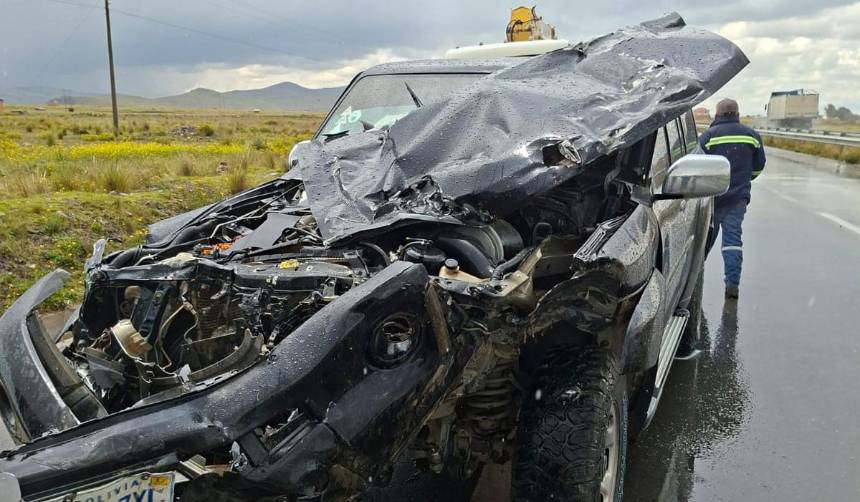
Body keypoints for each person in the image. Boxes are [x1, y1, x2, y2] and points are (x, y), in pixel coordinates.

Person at [699, 99, 766, 299]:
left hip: (713, 198)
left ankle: (693, 281)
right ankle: (732, 284)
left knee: (704, 240)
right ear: (737, 112)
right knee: (732, 240)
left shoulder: (709, 136)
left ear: (717, 114)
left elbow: (699, 165)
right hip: (738, 199)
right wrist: (746, 180)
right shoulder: (752, 135)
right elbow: (758, 165)